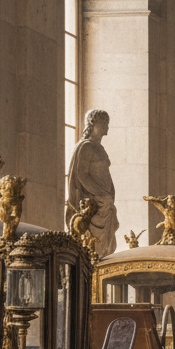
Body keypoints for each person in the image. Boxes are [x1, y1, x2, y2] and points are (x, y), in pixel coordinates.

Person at [66, 109, 119, 259]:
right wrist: (101, 194)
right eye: (103, 123)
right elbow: (82, 175)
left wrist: (110, 194)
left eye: (107, 123)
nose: (106, 127)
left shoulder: (99, 148)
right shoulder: (86, 146)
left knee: (104, 248)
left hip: (105, 203)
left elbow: (105, 175)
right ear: (92, 124)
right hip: (95, 203)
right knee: (92, 247)